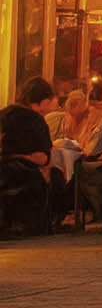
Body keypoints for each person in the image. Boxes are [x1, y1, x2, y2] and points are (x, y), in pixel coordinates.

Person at [0, 77, 56, 234]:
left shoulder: (4, 115)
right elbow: (44, 159)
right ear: (43, 101)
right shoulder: (36, 121)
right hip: (26, 183)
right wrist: (24, 157)